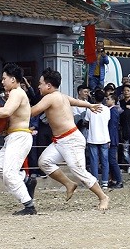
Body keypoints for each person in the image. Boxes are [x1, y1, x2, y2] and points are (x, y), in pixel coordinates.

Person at [30, 68, 110, 211]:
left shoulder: (50, 97)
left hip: (71, 139)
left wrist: (16, 108)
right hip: (60, 140)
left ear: (48, 86)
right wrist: (90, 105)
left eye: (40, 83)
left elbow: (33, 111)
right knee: (44, 162)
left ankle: (103, 197)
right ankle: (68, 184)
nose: (38, 86)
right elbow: (76, 101)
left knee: (78, 170)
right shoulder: (61, 96)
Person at [0, 63, 38, 215]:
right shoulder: (15, 93)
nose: (2, 81)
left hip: (20, 137)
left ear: (13, 79)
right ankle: (25, 180)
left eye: (4, 78)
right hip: (13, 136)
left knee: (9, 174)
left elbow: (6, 112)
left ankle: (29, 205)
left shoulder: (17, 92)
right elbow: (9, 116)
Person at [87, 89, 111, 187]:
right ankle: (105, 181)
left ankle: (95, 181)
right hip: (104, 137)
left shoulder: (90, 109)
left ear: (94, 98)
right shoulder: (107, 109)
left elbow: (86, 121)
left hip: (93, 137)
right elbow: (108, 121)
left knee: (94, 160)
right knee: (105, 160)